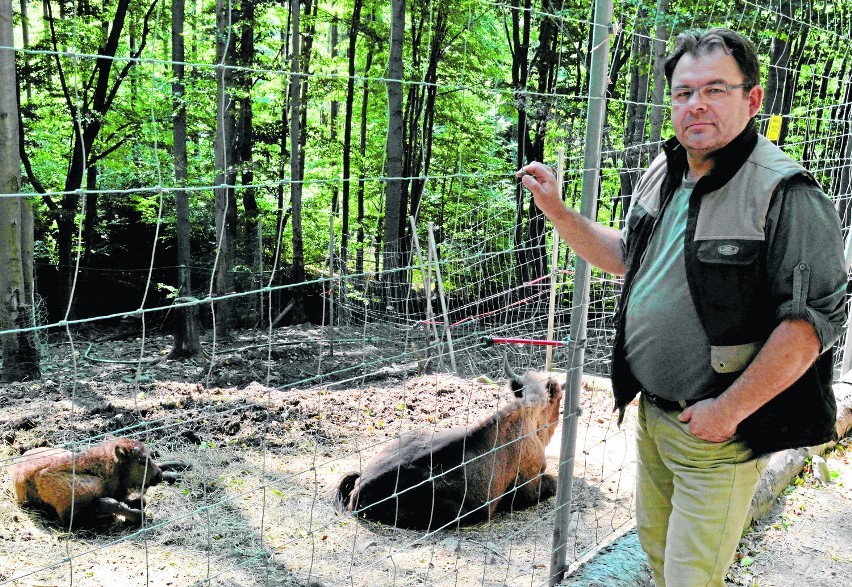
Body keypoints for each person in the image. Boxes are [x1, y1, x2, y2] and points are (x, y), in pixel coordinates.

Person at [518, 28, 848, 587]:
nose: (696, 104)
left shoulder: (786, 193)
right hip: (654, 418)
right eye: (683, 92)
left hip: (721, 434)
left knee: (691, 577)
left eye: (715, 89)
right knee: (659, 562)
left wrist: (728, 411)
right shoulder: (665, 169)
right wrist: (557, 211)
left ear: (753, 99)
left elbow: (808, 328)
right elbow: (627, 256)